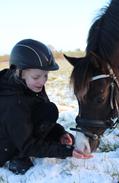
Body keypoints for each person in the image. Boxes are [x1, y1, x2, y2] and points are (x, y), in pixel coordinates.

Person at [0, 39, 92, 175]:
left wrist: (60, 133)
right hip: (4, 148)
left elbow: (37, 117)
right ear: (19, 72)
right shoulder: (12, 102)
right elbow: (27, 144)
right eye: (37, 77)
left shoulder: (30, 85)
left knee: (48, 110)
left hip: (19, 134)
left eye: (45, 76)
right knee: (27, 144)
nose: (42, 81)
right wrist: (67, 151)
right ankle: (16, 157)